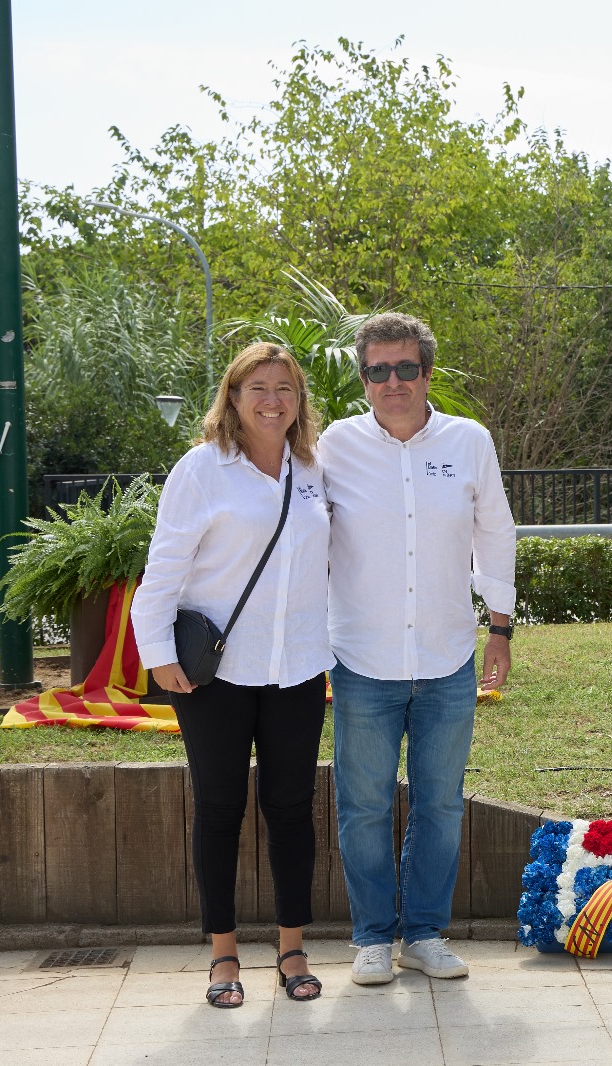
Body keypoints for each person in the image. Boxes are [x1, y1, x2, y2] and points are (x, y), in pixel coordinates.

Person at [132, 342, 332, 1007]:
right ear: (233, 396)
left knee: (291, 811)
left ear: (299, 400)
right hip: (215, 676)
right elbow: (164, 568)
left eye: (286, 388)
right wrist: (157, 651)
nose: (272, 399)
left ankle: (292, 947)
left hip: (299, 668)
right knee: (220, 808)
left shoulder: (312, 469)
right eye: (258, 387)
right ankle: (222, 955)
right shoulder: (202, 469)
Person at [321, 312, 517, 985]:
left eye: (406, 368)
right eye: (379, 370)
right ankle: (373, 938)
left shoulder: (470, 442)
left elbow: (495, 532)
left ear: (428, 373)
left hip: (446, 658)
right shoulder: (331, 447)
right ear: (364, 378)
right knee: (365, 804)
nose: (393, 382)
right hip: (361, 661)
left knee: (440, 803)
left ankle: (424, 935)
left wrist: (501, 625)